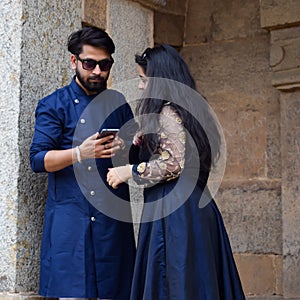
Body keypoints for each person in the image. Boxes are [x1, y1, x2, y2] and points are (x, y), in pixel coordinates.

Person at [107, 44, 246, 299]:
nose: (140, 86)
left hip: (174, 215)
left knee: (175, 284)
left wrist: (129, 171)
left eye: (143, 79)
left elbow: (174, 164)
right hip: (192, 209)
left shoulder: (169, 111)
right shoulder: (190, 109)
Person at [30, 26, 136, 300]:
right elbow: (39, 159)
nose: (98, 71)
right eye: (90, 63)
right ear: (74, 61)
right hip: (71, 225)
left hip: (112, 225)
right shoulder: (53, 104)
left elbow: (135, 157)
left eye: (105, 65)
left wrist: (126, 147)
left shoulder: (118, 102)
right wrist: (79, 152)